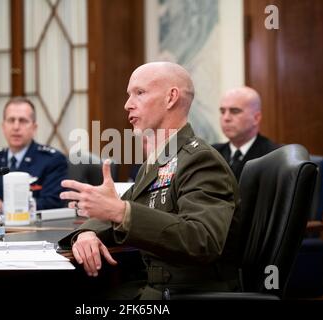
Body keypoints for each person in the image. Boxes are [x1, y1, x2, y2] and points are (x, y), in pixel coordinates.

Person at [59, 62, 241, 299]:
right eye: (129, 95)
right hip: (154, 287)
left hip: (187, 292)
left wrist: (122, 213)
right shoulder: (161, 161)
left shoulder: (200, 160)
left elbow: (202, 239)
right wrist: (85, 234)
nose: (127, 104)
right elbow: (116, 212)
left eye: (140, 93)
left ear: (170, 98)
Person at [0, 97, 68, 214]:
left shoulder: (52, 160)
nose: (16, 127)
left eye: (22, 121)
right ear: (3, 126)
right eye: (11, 120)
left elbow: (53, 203)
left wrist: (4, 207)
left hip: (34, 229)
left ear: (34, 127)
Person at [213, 86, 279, 181]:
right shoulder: (212, 153)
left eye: (235, 111)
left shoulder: (274, 156)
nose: (226, 118)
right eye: (222, 111)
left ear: (256, 118)